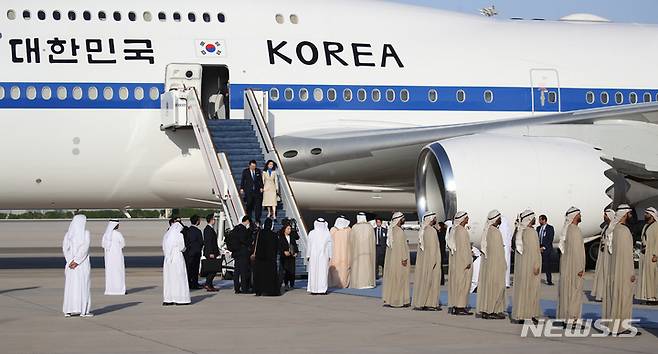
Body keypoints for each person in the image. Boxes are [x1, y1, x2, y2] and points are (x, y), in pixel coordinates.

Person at [604, 204, 640, 335]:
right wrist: (631, 273)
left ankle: (615, 326)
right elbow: (627, 256)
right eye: (629, 214)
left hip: (616, 271)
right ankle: (622, 327)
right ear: (625, 215)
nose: (631, 216)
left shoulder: (615, 230)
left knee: (617, 298)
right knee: (624, 299)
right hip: (624, 272)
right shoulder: (624, 231)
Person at [511, 210, 542, 324]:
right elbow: (535, 252)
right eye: (534, 218)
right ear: (529, 219)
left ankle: (522, 315)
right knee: (532, 291)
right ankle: (531, 314)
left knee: (522, 292)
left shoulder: (520, 232)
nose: (535, 220)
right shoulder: (531, 232)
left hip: (522, 270)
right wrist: (537, 265)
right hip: (531, 269)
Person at [556, 207, 586, 325]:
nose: (581, 216)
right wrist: (580, 268)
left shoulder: (568, 230)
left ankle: (566, 318)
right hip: (575, 269)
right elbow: (577, 251)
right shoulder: (574, 231)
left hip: (568, 268)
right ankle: (573, 320)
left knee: (566, 293)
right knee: (574, 293)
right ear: (574, 216)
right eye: (579, 214)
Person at [476, 210, 506, 320]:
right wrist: (503, 265)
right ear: (495, 219)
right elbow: (498, 252)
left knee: (489, 288)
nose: (500, 220)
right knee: (496, 288)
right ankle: (492, 310)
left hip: (489, 266)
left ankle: (487, 310)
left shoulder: (488, 231)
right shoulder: (495, 232)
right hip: (495, 266)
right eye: (499, 218)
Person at [62, 214, 93, 317]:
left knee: (71, 286)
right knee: (83, 286)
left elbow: (65, 249)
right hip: (82, 264)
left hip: (70, 265)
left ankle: (69, 310)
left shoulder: (68, 234)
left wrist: (70, 260)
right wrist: (77, 261)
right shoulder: (85, 233)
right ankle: (83, 311)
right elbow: (85, 248)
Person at [412, 212, 442, 311]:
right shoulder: (431, 231)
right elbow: (432, 249)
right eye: (434, 218)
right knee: (432, 282)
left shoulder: (424, 230)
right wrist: (433, 262)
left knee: (425, 281)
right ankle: (430, 303)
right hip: (432, 262)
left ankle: (424, 302)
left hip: (425, 262)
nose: (436, 220)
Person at [447, 211, 473, 315]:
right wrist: (467, 261)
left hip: (457, 262)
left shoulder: (456, 230)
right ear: (462, 219)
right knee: (463, 285)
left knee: (457, 284)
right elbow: (463, 249)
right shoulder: (461, 231)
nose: (468, 219)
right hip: (462, 263)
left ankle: (456, 306)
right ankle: (460, 307)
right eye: (466, 218)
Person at [382, 212, 410, 308]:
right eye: (403, 218)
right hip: (399, 260)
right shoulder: (398, 231)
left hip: (393, 260)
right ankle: (398, 301)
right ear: (399, 220)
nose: (404, 220)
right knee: (399, 279)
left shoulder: (392, 230)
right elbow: (401, 246)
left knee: (394, 279)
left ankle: (392, 299)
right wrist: (404, 258)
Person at [162, 222, 191, 306]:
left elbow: (164, 247)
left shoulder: (166, 235)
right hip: (177, 257)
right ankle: (181, 299)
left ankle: (168, 299)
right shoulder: (178, 235)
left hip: (168, 260)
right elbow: (182, 247)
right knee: (180, 278)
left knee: (169, 280)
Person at [253, 218, 281, 296]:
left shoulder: (259, 234)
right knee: (270, 276)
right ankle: (270, 291)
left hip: (260, 259)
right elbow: (277, 247)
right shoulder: (274, 235)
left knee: (260, 275)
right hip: (270, 259)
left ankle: (259, 290)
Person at [591, 209, 615, 301]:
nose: (604, 217)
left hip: (609, 255)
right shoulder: (605, 228)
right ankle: (601, 294)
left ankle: (609, 294)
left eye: (605, 215)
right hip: (603, 254)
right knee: (601, 273)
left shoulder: (614, 228)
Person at [349, 212, 376, 289]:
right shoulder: (370, 227)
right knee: (367, 266)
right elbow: (373, 240)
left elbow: (351, 241)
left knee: (358, 267)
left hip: (357, 253)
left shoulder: (355, 227)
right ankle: (368, 282)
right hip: (368, 253)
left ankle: (358, 283)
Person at [306, 218, 333, 295]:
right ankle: (314, 289)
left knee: (322, 273)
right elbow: (309, 245)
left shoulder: (326, 233)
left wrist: (330, 255)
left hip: (322, 256)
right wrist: (308, 255)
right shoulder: (312, 233)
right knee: (319, 273)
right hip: (318, 256)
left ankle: (321, 289)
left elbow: (330, 246)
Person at [638, 207, 658, 304]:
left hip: (652, 255)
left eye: (647, 213)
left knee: (652, 277)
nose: (645, 215)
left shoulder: (656, 226)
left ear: (652, 215)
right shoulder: (646, 226)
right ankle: (646, 296)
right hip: (644, 254)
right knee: (645, 276)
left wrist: (656, 254)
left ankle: (654, 298)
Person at [229, 216, 253, 294]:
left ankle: (236, 288)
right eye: (248, 222)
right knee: (243, 271)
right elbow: (244, 240)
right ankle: (244, 288)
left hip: (236, 253)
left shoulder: (235, 228)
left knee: (236, 271)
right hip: (243, 252)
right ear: (246, 221)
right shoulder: (243, 229)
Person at [101, 219, 126, 296]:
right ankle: (119, 290)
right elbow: (123, 244)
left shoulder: (105, 235)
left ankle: (110, 290)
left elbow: (103, 245)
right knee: (119, 272)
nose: (119, 225)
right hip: (117, 256)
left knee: (110, 273)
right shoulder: (118, 234)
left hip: (109, 257)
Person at [329, 216, 352, 288]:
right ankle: (344, 283)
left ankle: (334, 283)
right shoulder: (348, 230)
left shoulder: (332, 230)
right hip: (345, 255)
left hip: (335, 255)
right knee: (344, 270)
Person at [184, 215, 204, 290]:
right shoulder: (198, 231)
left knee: (189, 269)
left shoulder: (188, 230)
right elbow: (201, 242)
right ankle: (194, 284)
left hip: (189, 253)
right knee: (195, 269)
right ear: (197, 221)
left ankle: (188, 283)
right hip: (196, 253)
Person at [279, 222, 299, 290]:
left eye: (290, 229)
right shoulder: (281, 238)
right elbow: (280, 247)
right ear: (284, 229)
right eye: (288, 229)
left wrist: (296, 252)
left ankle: (292, 284)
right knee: (286, 270)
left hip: (291, 256)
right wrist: (284, 252)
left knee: (292, 270)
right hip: (284, 257)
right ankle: (286, 283)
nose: (289, 230)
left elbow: (295, 246)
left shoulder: (292, 237)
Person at [202, 214, 220, 292]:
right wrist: (210, 253)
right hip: (210, 252)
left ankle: (210, 284)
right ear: (211, 220)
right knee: (212, 269)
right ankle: (207, 284)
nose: (215, 220)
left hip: (213, 252)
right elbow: (208, 242)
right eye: (214, 219)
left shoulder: (210, 229)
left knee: (213, 269)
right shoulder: (208, 229)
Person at [537, 215, 555, 286]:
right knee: (538, 265)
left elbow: (550, 239)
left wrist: (543, 247)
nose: (539, 221)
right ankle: (536, 279)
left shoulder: (550, 228)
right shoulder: (538, 228)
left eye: (540, 220)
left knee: (547, 265)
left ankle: (549, 280)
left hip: (546, 249)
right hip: (539, 248)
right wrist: (538, 247)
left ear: (544, 220)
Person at [499, 216, 514, 288]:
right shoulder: (506, 226)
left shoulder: (499, 228)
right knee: (507, 265)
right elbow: (510, 236)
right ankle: (506, 282)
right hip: (506, 247)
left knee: (502, 265)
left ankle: (503, 282)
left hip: (503, 247)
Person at [437, 221, 448, 286]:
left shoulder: (442, 233)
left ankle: (441, 280)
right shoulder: (444, 232)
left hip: (440, 251)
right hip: (442, 251)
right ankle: (441, 280)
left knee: (440, 267)